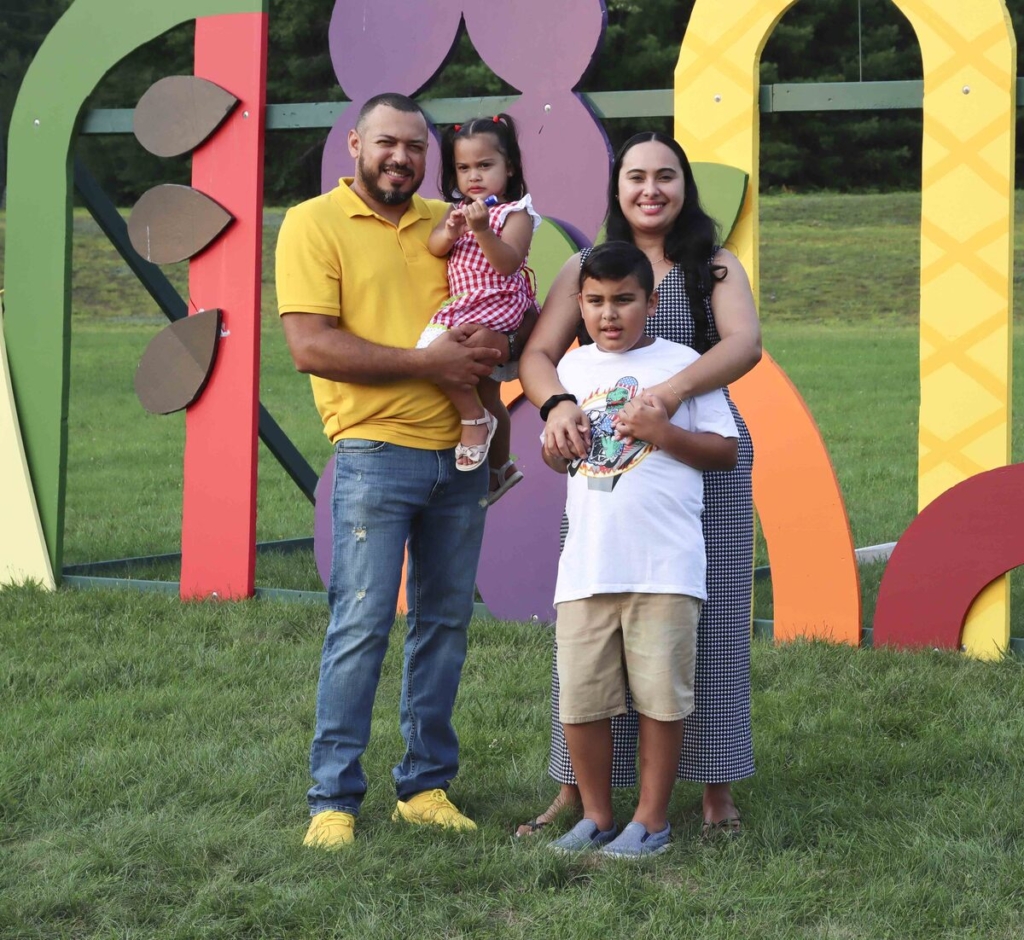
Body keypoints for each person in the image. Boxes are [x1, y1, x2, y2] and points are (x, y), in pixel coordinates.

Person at [275, 93, 533, 849]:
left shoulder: (446, 221)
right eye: (387, 143)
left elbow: (491, 307)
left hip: (462, 454)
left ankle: (424, 786)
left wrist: (493, 366)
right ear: (354, 142)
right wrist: (429, 363)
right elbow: (312, 347)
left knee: (445, 626)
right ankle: (333, 799)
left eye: (415, 148)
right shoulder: (312, 223)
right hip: (373, 453)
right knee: (359, 625)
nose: (401, 158)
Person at [518, 131, 761, 840]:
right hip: (605, 473)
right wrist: (557, 405)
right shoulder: (588, 268)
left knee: (703, 624)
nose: (650, 190)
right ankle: (579, 795)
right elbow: (538, 353)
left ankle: (715, 788)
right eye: (635, 177)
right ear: (616, 188)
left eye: (665, 176)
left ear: (685, 186)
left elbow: (744, 345)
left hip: (697, 460)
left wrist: (669, 395)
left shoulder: (713, 267)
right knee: (591, 632)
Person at [544, 243, 738, 858]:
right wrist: (555, 448)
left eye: (624, 299)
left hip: (665, 565)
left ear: (652, 303)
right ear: (578, 305)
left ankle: (651, 820)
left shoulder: (684, 364)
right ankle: (597, 816)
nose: (609, 313)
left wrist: (664, 433)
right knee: (581, 698)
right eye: (596, 301)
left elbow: (725, 452)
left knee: (661, 696)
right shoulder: (570, 372)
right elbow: (560, 458)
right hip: (586, 568)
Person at [424, 114, 541, 503]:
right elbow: (435, 247)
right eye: (463, 168)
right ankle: (500, 467)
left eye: (485, 165)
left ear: (508, 167)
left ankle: (473, 420)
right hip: (469, 305)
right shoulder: (456, 210)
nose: (473, 176)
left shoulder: (515, 212)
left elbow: (507, 262)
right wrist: (450, 231)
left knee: (432, 352)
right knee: (491, 395)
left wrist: (482, 231)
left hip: (495, 306)